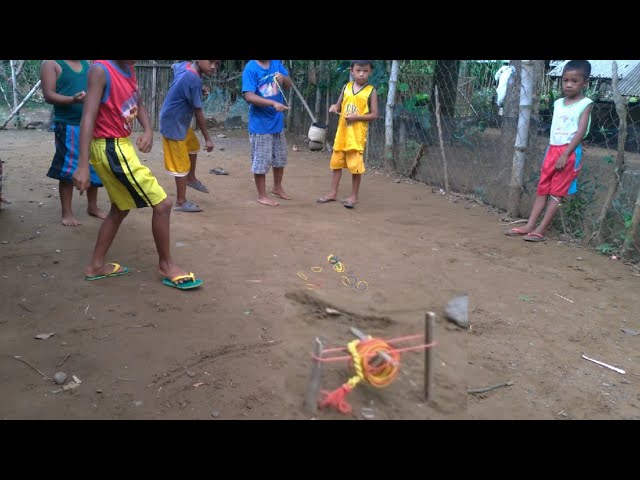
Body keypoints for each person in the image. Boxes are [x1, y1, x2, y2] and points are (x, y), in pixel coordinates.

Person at [72, 60, 202, 289]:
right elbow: (88, 117)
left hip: (121, 145)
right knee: (162, 204)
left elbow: (137, 102)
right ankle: (166, 264)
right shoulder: (100, 70)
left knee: (120, 208)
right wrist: (83, 165)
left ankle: (96, 265)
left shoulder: (128, 67)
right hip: (110, 147)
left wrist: (149, 130)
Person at [505, 60, 593, 242]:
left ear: (585, 82)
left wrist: (566, 154)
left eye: (574, 81)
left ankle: (541, 229)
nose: (568, 84)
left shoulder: (586, 103)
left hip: (568, 152)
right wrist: (555, 152)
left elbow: (581, 131)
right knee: (543, 188)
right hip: (552, 149)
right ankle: (530, 225)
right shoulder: (559, 102)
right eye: (565, 80)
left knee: (557, 192)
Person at [40, 60, 106, 226]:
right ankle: (67, 212)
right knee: (68, 169)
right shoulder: (51, 63)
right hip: (68, 125)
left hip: (91, 124)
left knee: (93, 165)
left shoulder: (87, 64)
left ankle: (92, 206)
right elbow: (48, 95)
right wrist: (73, 99)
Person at [316, 60, 378, 209]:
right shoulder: (346, 87)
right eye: (358, 70)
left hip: (356, 135)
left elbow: (374, 115)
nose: (362, 74)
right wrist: (334, 106)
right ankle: (333, 192)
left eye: (365, 71)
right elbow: (339, 104)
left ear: (370, 72)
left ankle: (354, 196)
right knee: (336, 162)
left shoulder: (371, 91)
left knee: (355, 165)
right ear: (352, 71)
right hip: (342, 133)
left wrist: (357, 117)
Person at [159, 60, 219, 212]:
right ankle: (180, 201)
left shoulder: (186, 67)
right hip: (173, 123)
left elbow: (175, 66)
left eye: (217, 63)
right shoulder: (192, 79)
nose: (213, 66)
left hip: (179, 121)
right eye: (211, 61)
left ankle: (190, 179)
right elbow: (198, 112)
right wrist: (208, 138)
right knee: (181, 164)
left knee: (192, 147)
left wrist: (199, 88)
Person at [241, 60, 292, 206]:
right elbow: (249, 96)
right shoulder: (251, 68)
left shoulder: (276, 64)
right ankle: (261, 195)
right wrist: (272, 103)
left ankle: (277, 187)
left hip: (277, 122)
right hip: (260, 125)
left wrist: (284, 78)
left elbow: (289, 85)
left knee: (280, 158)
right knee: (261, 161)